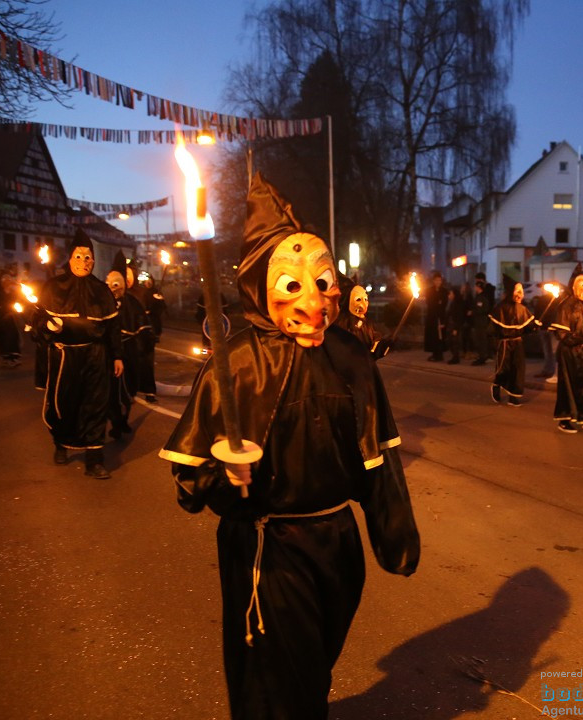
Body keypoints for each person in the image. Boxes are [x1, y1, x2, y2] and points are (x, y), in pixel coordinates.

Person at [160, 173, 419, 719]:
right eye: (292, 286)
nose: (314, 301)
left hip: (337, 540)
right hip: (268, 545)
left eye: (323, 282)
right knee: (280, 677)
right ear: (260, 286)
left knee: (315, 666)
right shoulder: (235, 365)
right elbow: (190, 478)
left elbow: (379, 457)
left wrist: (394, 533)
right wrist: (221, 478)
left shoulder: (351, 357)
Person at [36, 229, 122, 479]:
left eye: (88, 258)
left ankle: (94, 460)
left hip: (96, 356)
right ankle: (61, 444)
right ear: (70, 258)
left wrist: (117, 356)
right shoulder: (53, 287)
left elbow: (113, 327)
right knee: (65, 404)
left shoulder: (102, 290)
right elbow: (38, 324)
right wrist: (48, 327)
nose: (83, 262)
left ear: (93, 261)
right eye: (78, 257)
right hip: (65, 357)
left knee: (96, 405)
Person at [551, 264, 583, 434]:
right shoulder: (565, 305)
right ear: (573, 287)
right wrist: (581, 338)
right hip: (570, 353)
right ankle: (565, 419)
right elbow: (561, 334)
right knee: (568, 386)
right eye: (582, 285)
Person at [106, 253, 147, 440]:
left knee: (129, 388)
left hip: (130, 353)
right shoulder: (103, 303)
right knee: (113, 392)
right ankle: (116, 422)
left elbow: (143, 325)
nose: (115, 289)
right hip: (110, 355)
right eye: (111, 285)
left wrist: (145, 342)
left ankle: (124, 418)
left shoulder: (132, 303)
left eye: (118, 285)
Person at [489, 276, 534, 406]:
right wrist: (494, 341)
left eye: (521, 292)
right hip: (504, 344)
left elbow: (527, 327)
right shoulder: (500, 308)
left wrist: (534, 326)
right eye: (517, 292)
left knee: (518, 370)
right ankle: (497, 386)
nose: (520, 295)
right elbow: (492, 329)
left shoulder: (522, 309)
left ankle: (513, 396)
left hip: (518, 343)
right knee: (503, 369)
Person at [335, 275, 390, 360]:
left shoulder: (366, 325)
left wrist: (381, 347)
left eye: (366, 299)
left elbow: (373, 345)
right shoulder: (340, 326)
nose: (364, 305)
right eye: (358, 300)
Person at [126, 266, 158, 402]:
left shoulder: (142, 292)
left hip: (144, 333)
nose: (127, 279)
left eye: (129, 275)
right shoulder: (121, 293)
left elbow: (153, 309)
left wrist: (155, 300)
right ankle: (129, 391)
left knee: (146, 363)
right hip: (128, 334)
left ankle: (149, 391)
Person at [0, 272, 24, 367]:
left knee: (13, 337)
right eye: (5, 279)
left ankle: (14, 357)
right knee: (3, 338)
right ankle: (6, 358)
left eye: (8, 279)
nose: (7, 281)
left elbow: (19, 303)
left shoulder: (13, 292)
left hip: (12, 318)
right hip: (0, 318)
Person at [531, 283, 558, 378]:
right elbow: (537, 313)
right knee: (547, 351)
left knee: (554, 351)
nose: (542, 289)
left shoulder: (556, 299)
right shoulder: (541, 299)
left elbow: (557, 314)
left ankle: (555, 372)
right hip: (543, 328)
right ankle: (547, 370)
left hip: (552, 329)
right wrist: (536, 323)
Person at [423, 271, 447, 361]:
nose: (438, 282)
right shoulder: (429, 291)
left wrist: (439, 303)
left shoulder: (444, 291)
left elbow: (443, 303)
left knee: (440, 336)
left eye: (440, 280)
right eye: (436, 280)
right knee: (432, 335)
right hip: (432, 316)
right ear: (433, 281)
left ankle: (440, 354)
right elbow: (429, 303)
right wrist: (437, 302)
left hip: (441, 316)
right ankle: (434, 353)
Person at [469, 279, 493, 365]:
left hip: (481, 322)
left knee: (481, 340)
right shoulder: (479, 297)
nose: (475, 288)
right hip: (478, 322)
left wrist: (473, 312)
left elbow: (482, 309)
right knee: (479, 339)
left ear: (478, 287)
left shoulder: (482, 298)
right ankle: (481, 356)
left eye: (476, 286)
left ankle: (482, 357)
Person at [443, 284, 465, 365]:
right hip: (450, 325)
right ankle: (454, 356)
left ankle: (455, 358)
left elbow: (459, 317)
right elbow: (448, 314)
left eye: (450, 294)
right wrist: (444, 324)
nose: (449, 295)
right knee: (449, 341)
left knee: (454, 342)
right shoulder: (451, 303)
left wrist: (456, 328)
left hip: (455, 326)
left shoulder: (458, 304)